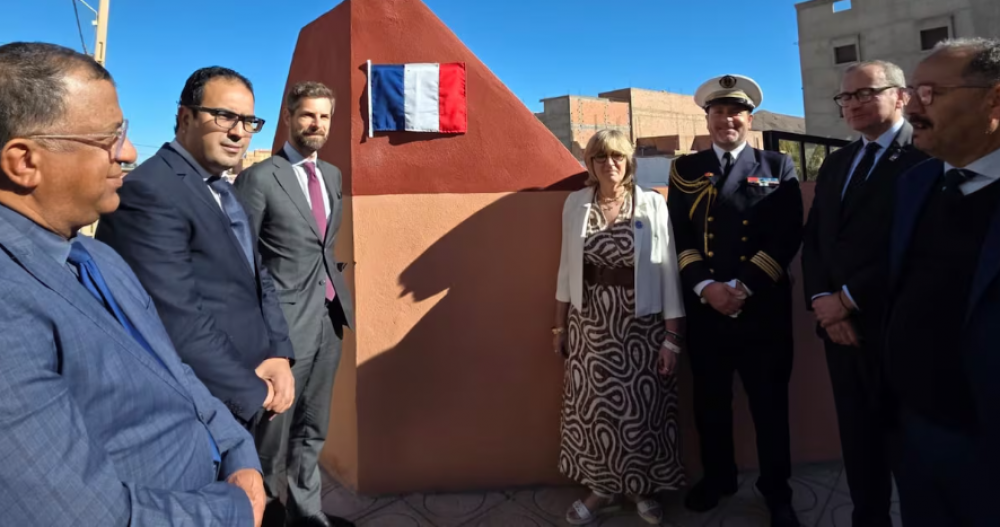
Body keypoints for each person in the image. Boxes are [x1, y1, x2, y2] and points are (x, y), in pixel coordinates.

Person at [0, 42, 265, 527]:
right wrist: (234, 510)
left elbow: (175, 374)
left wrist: (238, 449)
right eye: (107, 139)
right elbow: (78, 515)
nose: (128, 152)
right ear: (24, 162)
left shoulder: (99, 257)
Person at [95, 67, 296, 434]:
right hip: (201, 405)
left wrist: (279, 353)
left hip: (250, 383)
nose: (238, 132)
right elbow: (175, 318)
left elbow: (257, 276)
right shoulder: (149, 191)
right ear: (185, 117)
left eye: (249, 121)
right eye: (224, 117)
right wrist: (252, 391)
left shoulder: (222, 187)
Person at [667, 74, 803, 527]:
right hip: (707, 310)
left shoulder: (777, 164)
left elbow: (786, 236)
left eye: (736, 111)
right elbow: (680, 237)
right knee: (709, 402)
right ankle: (719, 478)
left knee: (770, 407)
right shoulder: (685, 169)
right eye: (718, 111)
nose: (728, 118)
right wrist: (708, 288)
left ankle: (776, 489)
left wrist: (741, 287)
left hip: (761, 308)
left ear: (749, 118)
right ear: (706, 118)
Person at [800, 60, 927, 527]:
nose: (851, 104)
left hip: (900, 329)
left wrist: (848, 300)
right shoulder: (838, 162)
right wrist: (823, 304)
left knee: (913, 448)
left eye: (864, 93)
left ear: (901, 96)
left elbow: (918, 243)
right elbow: (815, 240)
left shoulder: (927, 156)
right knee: (857, 440)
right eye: (845, 97)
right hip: (839, 333)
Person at [884, 37, 1000, 527]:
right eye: (911, 91)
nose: (912, 105)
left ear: (994, 99)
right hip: (915, 429)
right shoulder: (915, 184)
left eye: (929, 92)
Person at [234, 81, 355, 527]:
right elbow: (241, 260)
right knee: (272, 433)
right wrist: (260, 335)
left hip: (329, 320)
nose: (316, 124)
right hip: (282, 329)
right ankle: (263, 514)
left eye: (324, 116)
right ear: (289, 117)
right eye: (308, 115)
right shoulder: (260, 178)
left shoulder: (333, 175)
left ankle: (308, 514)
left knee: (313, 429)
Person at [553, 129, 686, 525]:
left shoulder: (650, 204)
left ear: (629, 162)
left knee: (642, 410)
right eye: (599, 157)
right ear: (590, 164)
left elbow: (668, 272)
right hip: (590, 326)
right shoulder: (576, 203)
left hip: (641, 325)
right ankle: (600, 489)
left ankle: (641, 488)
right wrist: (558, 329)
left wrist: (673, 338)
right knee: (593, 411)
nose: (608, 164)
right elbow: (565, 268)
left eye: (616, 156)